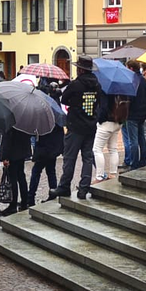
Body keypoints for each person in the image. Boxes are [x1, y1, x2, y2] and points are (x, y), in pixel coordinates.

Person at [55, 57, 101, 199]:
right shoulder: (97, 84)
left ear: (80, 69)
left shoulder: (76, 84)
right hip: (91, 125)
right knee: (87, 157)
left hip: (75, 126)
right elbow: (98, 102)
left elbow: (64, 99)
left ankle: (64, 187)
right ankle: (84, 188)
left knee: (70, 157)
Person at [93, 86, 126, 182]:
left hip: (106, 122)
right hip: (117, 121)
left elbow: (103, 107)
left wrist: (99, 119)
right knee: (113, 149)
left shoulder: (105, 89)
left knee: (97, 149)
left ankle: (99, 176)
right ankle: (113, 173)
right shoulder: (121, 88)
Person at [0, 125, 32, 216]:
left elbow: (7, 140)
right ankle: (24, 202)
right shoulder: (24, 121)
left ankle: (13, 205)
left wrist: (4, 157)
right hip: (22, 152)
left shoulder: (10, 122)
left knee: (13, 179)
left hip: (13, 154)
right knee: (21, 177)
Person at [125, 65, 146, 169]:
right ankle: (143, 160)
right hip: (142, 112)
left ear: (131, 68)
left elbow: (129, 98)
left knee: (133, 140)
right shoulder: (144, 81)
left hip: (132, 113)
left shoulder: (132, 81)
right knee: (141, 138)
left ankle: (134, 163)